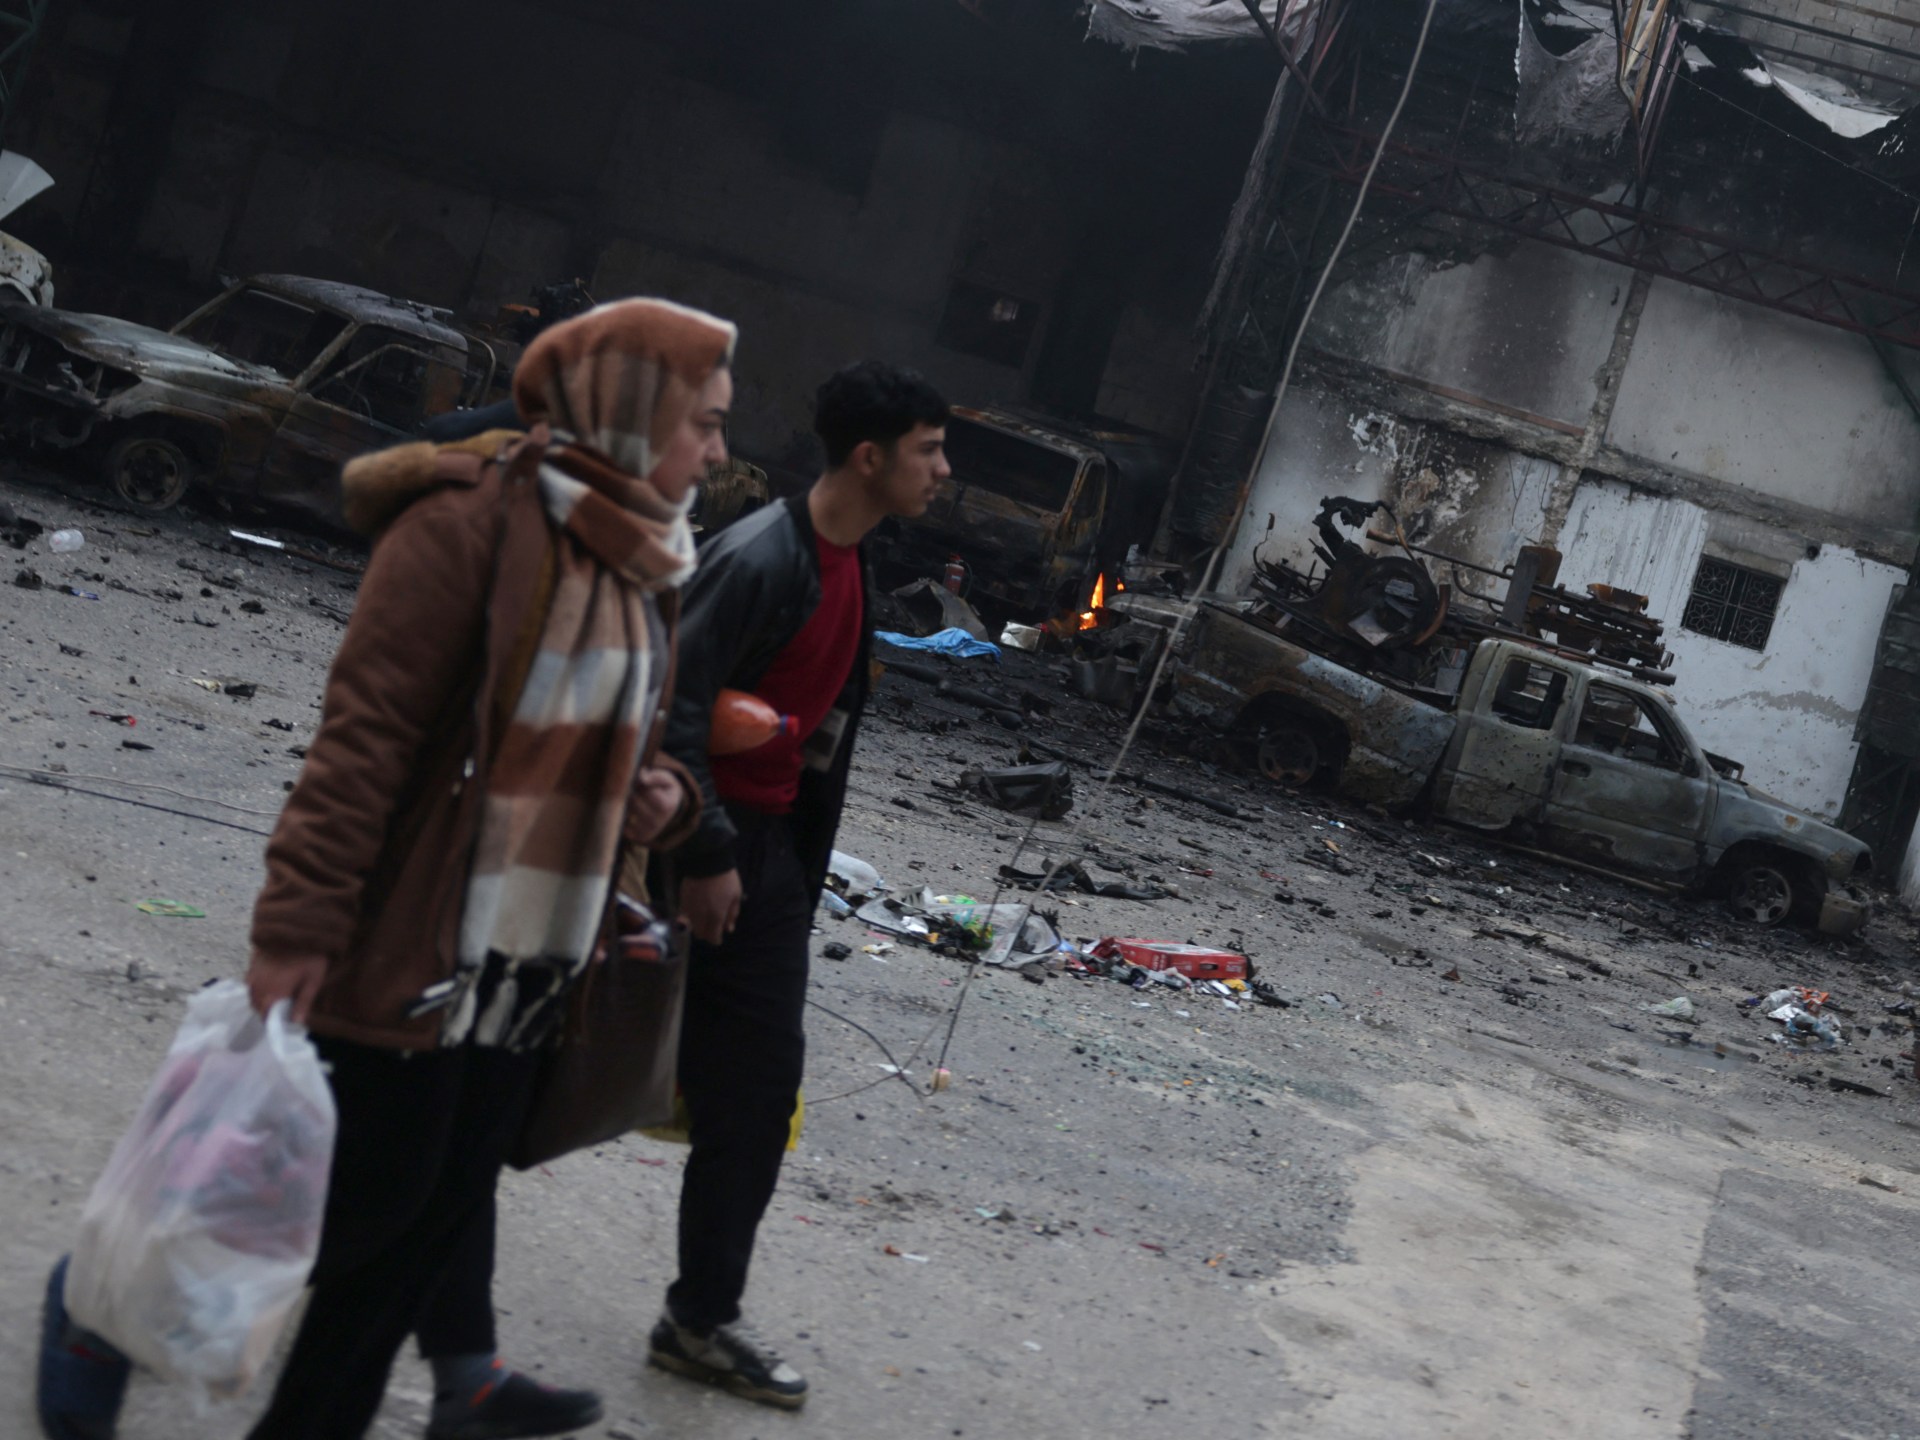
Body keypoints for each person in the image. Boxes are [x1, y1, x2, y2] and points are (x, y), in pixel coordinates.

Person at [36, 298, 737, 1440]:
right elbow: (363, 742)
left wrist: (666, 803)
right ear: (630, 411)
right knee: (343, 1215)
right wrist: (297, 927)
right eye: (704, 423)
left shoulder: (645, 554)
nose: (716, 453)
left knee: (409, 1252)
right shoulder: (465, 522)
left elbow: (617, 741)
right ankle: (97, 1306)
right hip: (416, 938)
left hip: (532, 962)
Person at [645, 361, 951, 1410]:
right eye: (928, 451)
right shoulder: (761, 556)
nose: (941, 472)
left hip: (770, 859)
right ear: (869, 458)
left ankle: (699, 1318)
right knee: (558, 1060)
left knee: (755, 1094)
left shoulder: (854, 563)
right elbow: (670, 706)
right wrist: (705, 854)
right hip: (697, 844)